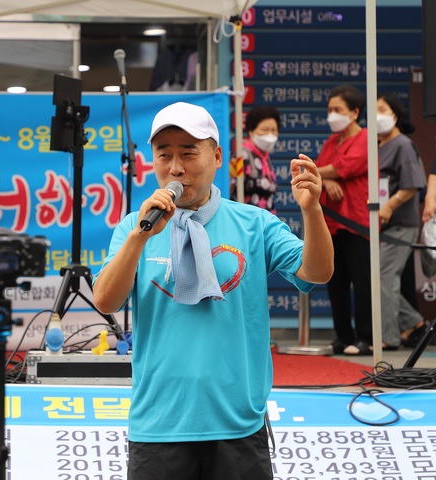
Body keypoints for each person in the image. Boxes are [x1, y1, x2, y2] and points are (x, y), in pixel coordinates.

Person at [92, 102, 333, 480]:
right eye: (164, 154)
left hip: (237, 423)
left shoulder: (255, 223)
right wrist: (140, 237)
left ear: (217, 156)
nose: (176, 167)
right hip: (158, 424)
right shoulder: (133, 228)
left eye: (189, 152)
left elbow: (317, 272)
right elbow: (106, 300)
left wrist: (312, 211)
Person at [314, 85, 372, 356]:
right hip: (331, 223)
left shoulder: (365, 139)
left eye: (338, 110)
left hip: (356, 221)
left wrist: (322, 174)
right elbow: (325, 170)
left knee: (361, 283)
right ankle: (342, 336)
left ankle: (366, 338)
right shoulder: (330, 141)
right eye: (329, 110)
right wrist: (325, 179)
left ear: (355, 112)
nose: (332, 115)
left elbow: (343, 168)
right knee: (335, 281)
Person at [376, 93, 427, 349]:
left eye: (382, 109)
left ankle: (388, 337)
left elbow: (413, 184)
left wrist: (390, 205)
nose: (377, 116)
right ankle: (414, 322)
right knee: (380, 277)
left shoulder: (403, 145)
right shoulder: (378, 146)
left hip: (401, 223)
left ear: (395, 115)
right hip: (382, 225)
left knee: (385, 277)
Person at [231, 105, 281, 213]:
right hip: (246, 223)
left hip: (267, 223)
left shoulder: (266, 159)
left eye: (274, 130)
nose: (270, 135)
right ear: (251, 131)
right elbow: (229, 188)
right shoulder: (240, 156)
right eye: (264, 130)